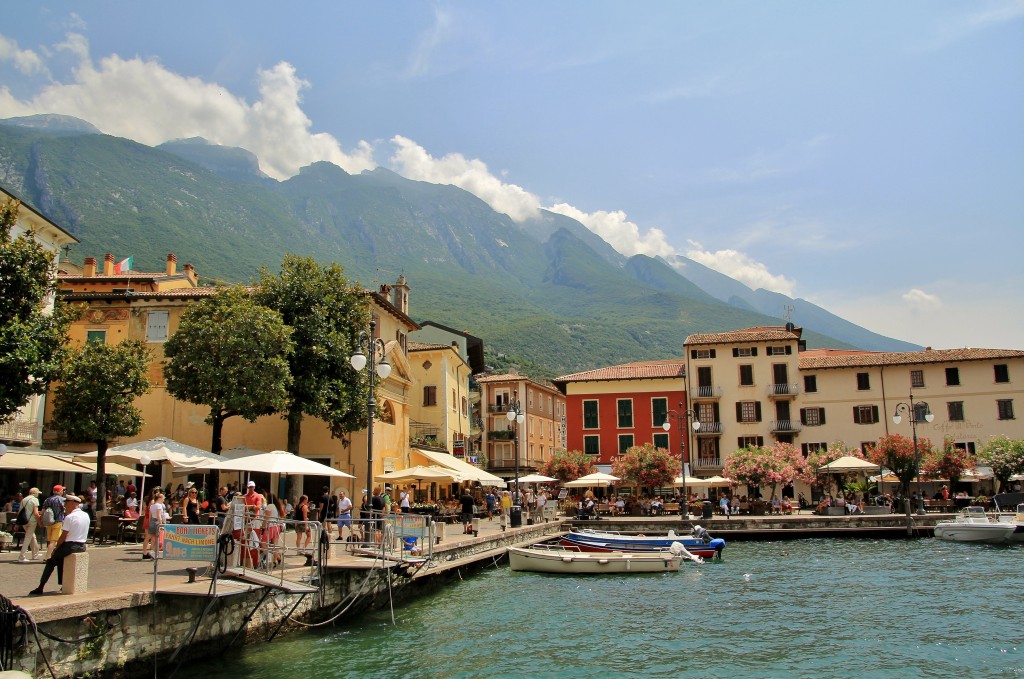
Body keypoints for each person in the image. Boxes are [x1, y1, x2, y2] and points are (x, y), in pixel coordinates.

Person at [29, 494, 90, 596]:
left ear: (72, 504)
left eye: (66, 503)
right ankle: (62, 584)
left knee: (51, 561)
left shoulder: (69, 517)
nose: (64, 505)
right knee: (60, 560)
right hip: (81, 545)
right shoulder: (85, 515)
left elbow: (63, 537)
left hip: (70, 545)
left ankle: (41, 586)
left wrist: (56, 548)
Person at [41, 485, 67, 559]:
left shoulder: (47, 499)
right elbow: (65, 510)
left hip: (49, 522)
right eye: (62, 491)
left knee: (50, 540)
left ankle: (52, 554)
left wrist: (41, 520)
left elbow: (42, 512)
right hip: (58, 521)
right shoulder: (62, 500)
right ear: (60, 491)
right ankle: (47, 557)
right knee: (54, 541)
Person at [18, 487, 42, 562]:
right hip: (32, 521)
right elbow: (35, 513)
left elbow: (19, 512)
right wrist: (40, 522)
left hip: (24, 521)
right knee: (28, 537)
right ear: (35, 493)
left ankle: (35, 554)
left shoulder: (24, 499)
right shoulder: (35, 499)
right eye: (38, 493)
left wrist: (17, 523)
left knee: (32, 536)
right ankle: (21, 556)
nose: (38, 494)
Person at [144, 492, 168, 559]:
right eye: (163, 498)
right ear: (160, 498)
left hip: (152, 521)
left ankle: (145, 552)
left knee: (149, 538)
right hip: (156, 522)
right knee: (155, 538)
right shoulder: (159, 506)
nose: (164, 500)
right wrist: (161, 524)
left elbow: (150, 516)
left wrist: (150, 523)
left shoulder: (152, 506)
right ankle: (153, 553)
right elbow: (158, 516)